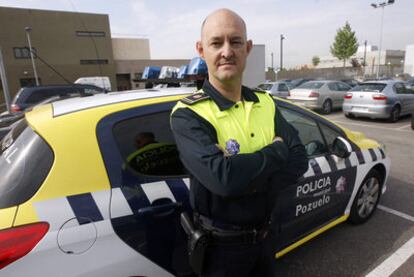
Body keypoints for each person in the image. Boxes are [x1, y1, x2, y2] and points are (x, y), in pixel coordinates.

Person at [170, 8, 308, 276]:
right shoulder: (188, 113)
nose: (226, 51)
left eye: (235, 42)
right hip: (221, 253)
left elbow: (300, 160)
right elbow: (224, 179)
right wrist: (278, 150)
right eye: (216, 42)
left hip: (266, 240)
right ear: (201, 50)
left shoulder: (265, 102)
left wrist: (241, 180)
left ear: (247, 48)